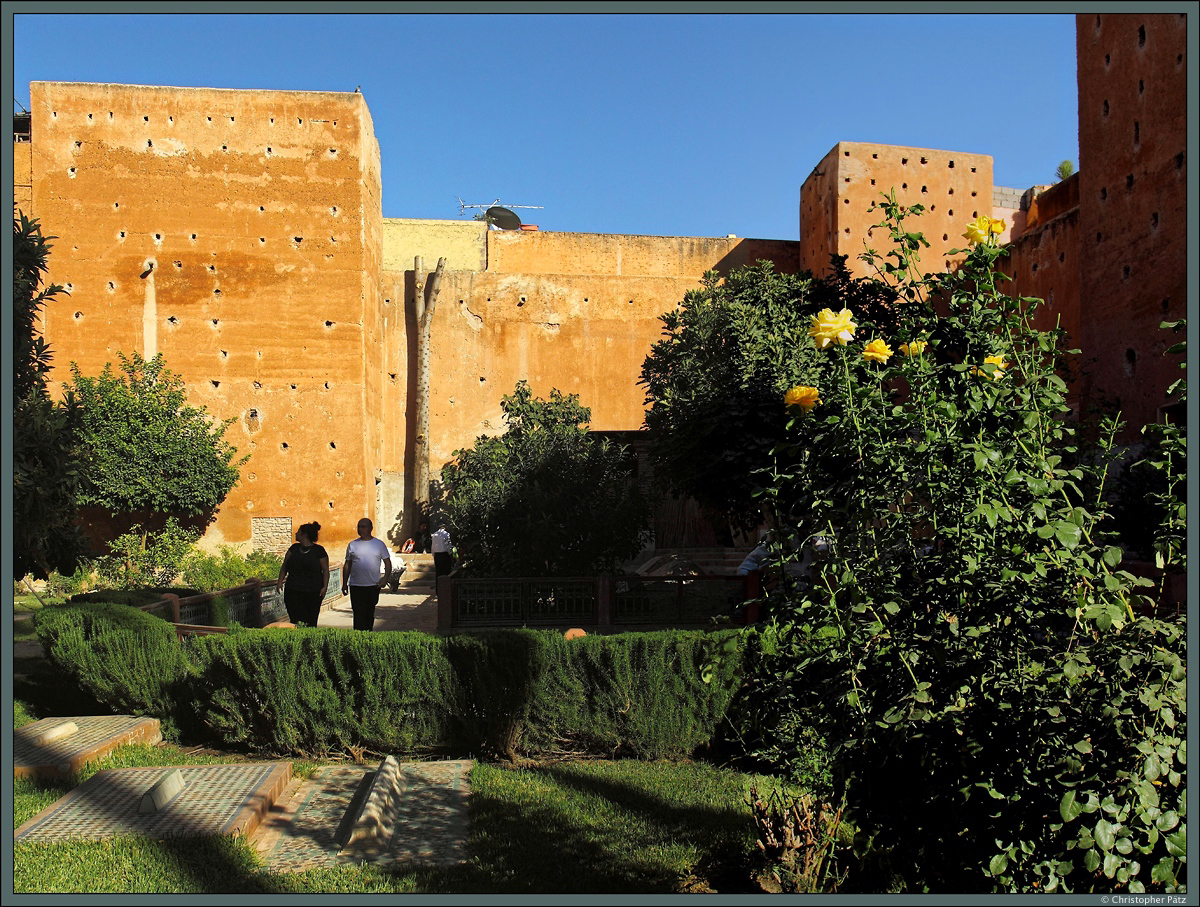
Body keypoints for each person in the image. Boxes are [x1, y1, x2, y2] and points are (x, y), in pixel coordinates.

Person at [341, 517, 392, 631]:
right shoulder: (352, 545)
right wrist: (344, 583)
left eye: (363, 526)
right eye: (359, 527)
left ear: (370, 528)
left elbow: (388, 563)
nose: (360, 529)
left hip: (372, 585)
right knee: (358, 614)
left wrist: (384, 579)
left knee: (369, 613)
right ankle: (359, 638)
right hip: (356, 585)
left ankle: (368, 635)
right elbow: (347, 565)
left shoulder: (378, 544)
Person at [277, 522, 329, 627]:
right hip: (293, 591)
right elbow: (285, 566)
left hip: (312, 592)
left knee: (310, 620)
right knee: (295, 620)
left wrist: (324, 586)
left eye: (298, 532)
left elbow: (325, 570)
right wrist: (279, 582)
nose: (295, 533)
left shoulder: (319, 551)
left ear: (304, 534)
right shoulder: (293, 549)